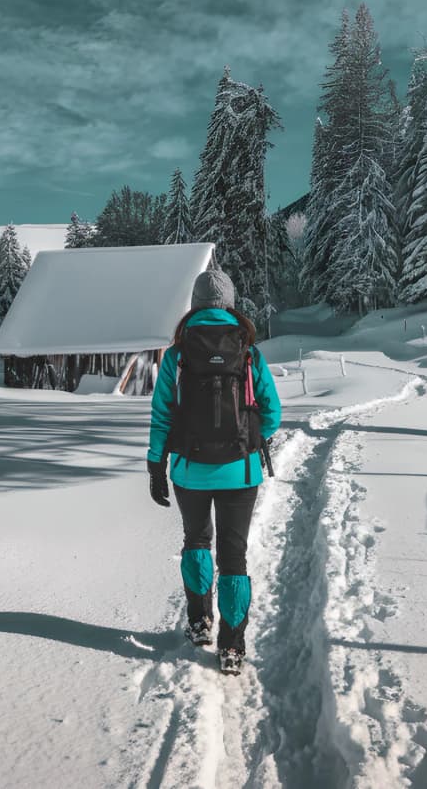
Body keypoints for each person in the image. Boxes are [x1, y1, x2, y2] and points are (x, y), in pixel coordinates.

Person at [146, 269, 281, 675]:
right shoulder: (249, 352)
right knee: (234, 558)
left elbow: (161, 416)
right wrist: (249, 440)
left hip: (189, 471)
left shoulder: (177, 354)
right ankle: (232, 647)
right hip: (240, 474)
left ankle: (200, 620)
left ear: (196, 303)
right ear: (230, 303)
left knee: (196, 542)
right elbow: (272, 414)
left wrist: (156, 465)